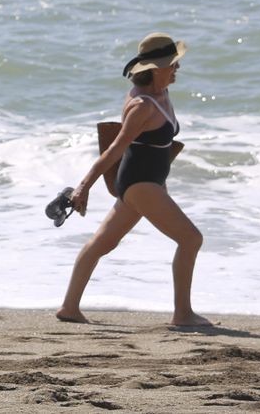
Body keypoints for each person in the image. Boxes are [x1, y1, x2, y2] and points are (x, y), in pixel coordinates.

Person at [56, 32, 211, 327]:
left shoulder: (161, 95)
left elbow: (155, 147)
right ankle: (183, 314)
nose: (177, 68)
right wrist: (83, 187)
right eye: (172, 65)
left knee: (102, 243)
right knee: (191, 239)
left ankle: (69, 308)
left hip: (148, 182)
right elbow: (115, 148)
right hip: (141, 185)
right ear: (154, 69)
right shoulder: (142, 106)